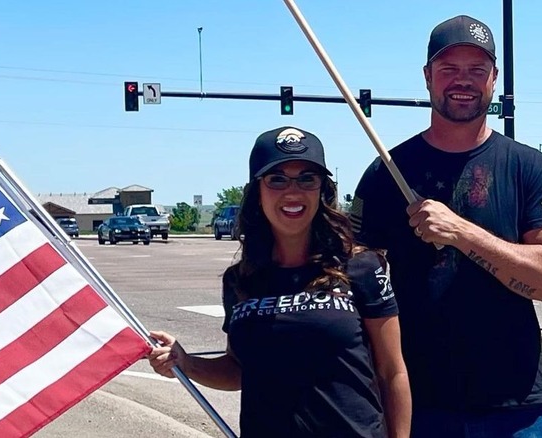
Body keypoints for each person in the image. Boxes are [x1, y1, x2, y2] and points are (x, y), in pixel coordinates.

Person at [348, 15, 542, 438]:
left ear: (494, 79)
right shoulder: (387, 173)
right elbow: (351, 283)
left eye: (476, 70)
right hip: (419, 407)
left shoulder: (525, 166)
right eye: (449, 69)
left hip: (516, 411)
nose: (463, 81)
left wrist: (461, 231)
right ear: (428, 77)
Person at [148, 126, 411, 437]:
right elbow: (239, 370)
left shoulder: (360, 266)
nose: (292, 191)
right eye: (277, 179)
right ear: (258, 192)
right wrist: (187, 363)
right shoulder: (241, 280)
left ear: (321, 190)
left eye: (306, 179)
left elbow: (392, 371)